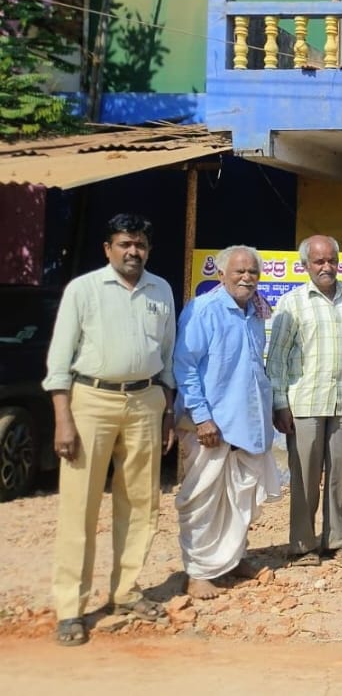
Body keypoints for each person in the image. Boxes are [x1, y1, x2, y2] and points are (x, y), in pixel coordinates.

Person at [43, 214, 176, 646]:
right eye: (124, 244)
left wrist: (167, 410)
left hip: (146, 400)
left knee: (140, 502)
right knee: (79, 506)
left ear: (148, 250)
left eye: (140, 244)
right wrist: (63, 417)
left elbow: (168, 355)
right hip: (91, 402)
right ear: (108, 248)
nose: (133, 251)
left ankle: (126, 591)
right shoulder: (83, 290)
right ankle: (71, 607)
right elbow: (59, 361)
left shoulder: (161, 290)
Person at [174, 245, 282, 600]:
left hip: (246, 423)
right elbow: (185, 367)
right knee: (204, 499)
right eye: (239, 272)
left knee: (240, 497)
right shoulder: (203, 309)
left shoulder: (256, 311)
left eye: (253, 272)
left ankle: (233, 559)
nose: (247, 278)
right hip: (210, 426)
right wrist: (202, 417)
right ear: (222, 274)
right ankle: (198, 572)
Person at [266, 235, 342, 568]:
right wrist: (279, 403)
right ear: (306, 265)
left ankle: (339, 543)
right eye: (319, 261)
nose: (327, 267)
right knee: (304, 478)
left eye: (332, 260)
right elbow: (277, 358)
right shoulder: (291, 303)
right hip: (305, 403)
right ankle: (302, 547)